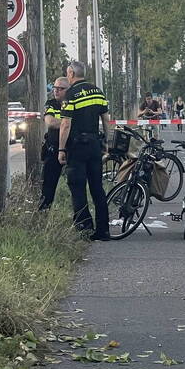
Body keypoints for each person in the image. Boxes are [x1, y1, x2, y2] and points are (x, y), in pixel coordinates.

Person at [58, 61, 110, 240]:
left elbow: (65, 124)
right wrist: (107, 141)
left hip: (77, 146)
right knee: (97, 188)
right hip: (95, 145)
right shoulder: (97, 92)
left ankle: (84, 229)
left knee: (78, 188)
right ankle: (103, 230)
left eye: (67, 73)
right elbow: (106, 119)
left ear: (71, 74)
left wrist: (61, 149)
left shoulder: (71, 94)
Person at [38, 77, 70, 211]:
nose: (56, 91)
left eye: (60, 88)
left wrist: (63, 123)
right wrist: (68, 123)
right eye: (55, 88)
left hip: (72, 150)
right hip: (53, 150)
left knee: (76, 186)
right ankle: (43, 214)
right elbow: (50, 122)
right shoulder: (51, 104)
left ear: (68, 90)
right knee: (47, 189)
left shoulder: (73, 103)